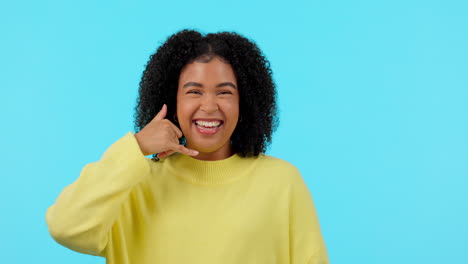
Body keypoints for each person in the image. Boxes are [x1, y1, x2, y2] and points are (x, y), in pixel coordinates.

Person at [45, 29, 330, 264]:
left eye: (224, 92)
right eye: (194, 91)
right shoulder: (131, 182)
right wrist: (136, 146)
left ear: (245, 103)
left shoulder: (282, 182)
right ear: (172, 101)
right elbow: (66, 227)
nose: (209, 106)